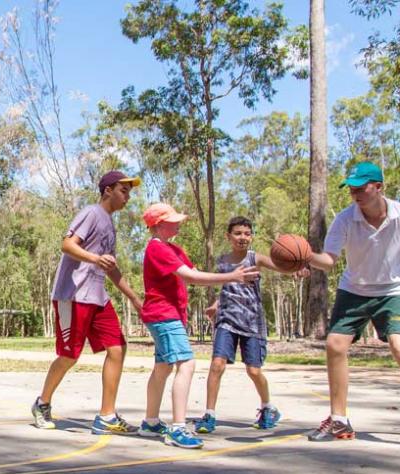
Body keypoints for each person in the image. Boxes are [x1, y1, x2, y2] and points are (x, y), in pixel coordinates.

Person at [303, 161, 400, 453]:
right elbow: (329, 260)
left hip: (395, 288)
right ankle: (339, 421)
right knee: (335, 344)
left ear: (379, 187)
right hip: (355, 288)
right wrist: (304, 257)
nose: (355, 194)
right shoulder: (345, 219)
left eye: (361, 189)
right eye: (351, 190)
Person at [136, 203, 259, 449]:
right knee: (187, 364)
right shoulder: (156, 248)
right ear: (160, 224)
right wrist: (233, 277)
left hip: (169, 314)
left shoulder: (173, 248)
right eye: (174, 220)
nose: (179, 223)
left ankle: (150, 422)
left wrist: (221, 290)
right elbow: (190, 277)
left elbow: (197, 274)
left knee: (163, 367)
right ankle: (178, 428)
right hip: (163, 314)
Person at [32, 171, 145, 435]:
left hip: (98, 297)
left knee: (117, 348)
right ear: (107, 190)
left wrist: (136, 299)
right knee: (70, 355)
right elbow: (67, 245)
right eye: (123, 190)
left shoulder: (110, 225)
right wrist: (95, 259)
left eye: (129, 192)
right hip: (73, 295)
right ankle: (42, 403)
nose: (127, 197)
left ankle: (106, 416)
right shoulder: (92, 213)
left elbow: (112, 269)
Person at [195, 217, 308, 435]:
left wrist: (297, 268)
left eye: (247, 233)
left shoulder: (256, 258)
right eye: (238, 233)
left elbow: (284, 266)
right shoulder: (222, 261)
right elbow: (227, 287)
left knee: (254, 370)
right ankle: (209, 414)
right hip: (227, 319)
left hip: (252, 321)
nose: (243, 237)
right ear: (228, 237)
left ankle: (268, 408)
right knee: (217, 364)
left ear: (251, 237)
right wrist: (215, 305)